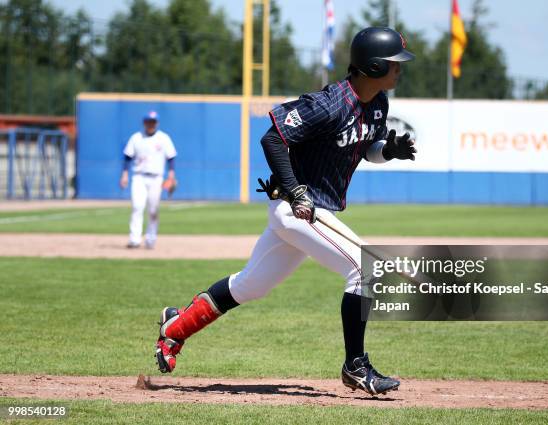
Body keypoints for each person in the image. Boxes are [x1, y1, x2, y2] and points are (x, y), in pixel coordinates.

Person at [154, 27, 417, 396]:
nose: (399, 70)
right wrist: (294, 191)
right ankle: (355, 366)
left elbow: (365, 148)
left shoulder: (378, 105)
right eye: (393, 64)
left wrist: (388, 151)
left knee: (250, 285)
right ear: (373, 67)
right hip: (296, 208)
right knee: (364, 268)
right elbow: (273, 138)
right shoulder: (329, 104)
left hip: (315, 211)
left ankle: (174, 329)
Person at [120, 111, 177, 249]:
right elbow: (128, 156)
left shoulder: (163, 138)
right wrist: (125, 174)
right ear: (144, 122)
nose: (151, 124)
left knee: (153, 210)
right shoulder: (136, 138)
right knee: (137, 207)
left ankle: (151, 239)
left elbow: (171, 157)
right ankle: (135, 240)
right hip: (139, 176)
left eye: (153, 121)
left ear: (156, 123)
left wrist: (171, 175)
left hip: (156, 178)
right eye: (148, 121)